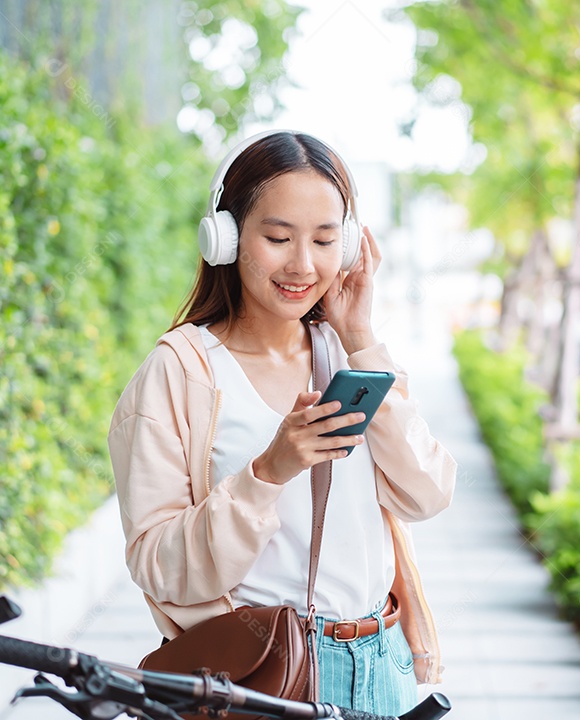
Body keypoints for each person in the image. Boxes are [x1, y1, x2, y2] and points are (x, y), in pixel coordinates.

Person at [106, 130, 456, 715]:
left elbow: (428, 493)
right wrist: (269, 471)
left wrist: (363, 339)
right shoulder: (181, 372)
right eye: (277, 237)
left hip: (381, 662)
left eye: (324, 240)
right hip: (264, 676)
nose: (301, 264)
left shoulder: (348, 356)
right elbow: (158, 564)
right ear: (225, 236)